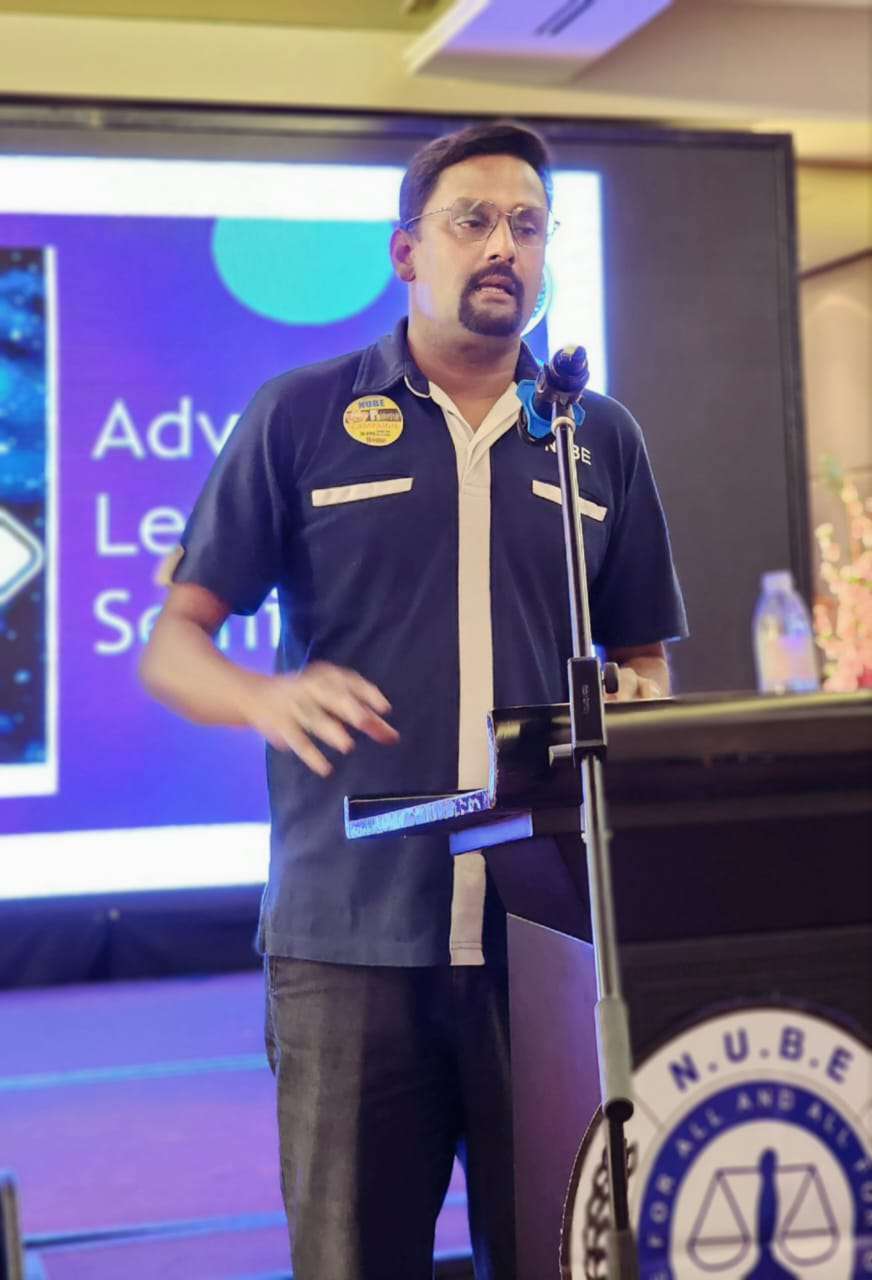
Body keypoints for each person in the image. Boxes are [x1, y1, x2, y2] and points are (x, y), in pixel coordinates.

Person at [140, 119, 687, 1280]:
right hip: (350, 938)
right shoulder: (301, 413)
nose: (502, 246)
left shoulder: (596, 434)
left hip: (548, 940)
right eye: (471, 220)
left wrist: (634, 701)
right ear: (405, 251)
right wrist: (266, 695)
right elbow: (174, 646)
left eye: (527, 225)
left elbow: (644, 661)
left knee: (558, 1254)